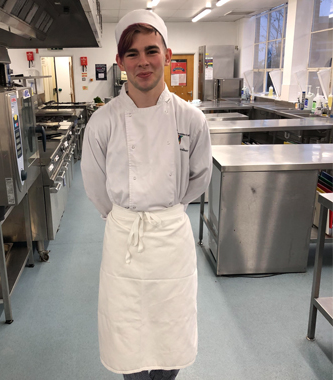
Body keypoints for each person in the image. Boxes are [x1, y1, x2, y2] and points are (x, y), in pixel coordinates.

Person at [81, 9, 212, 380]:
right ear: (120, 61)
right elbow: (94, 183)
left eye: (151, 51)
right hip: (125, 241)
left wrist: (168, 212)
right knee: (128, 339)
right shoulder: (102, 122)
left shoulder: (191, 119)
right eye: (133, 54)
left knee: (171, 336)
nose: (143, 62)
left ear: (167, 55)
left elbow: (199, 177)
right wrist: (127, 217)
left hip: (172, 239)